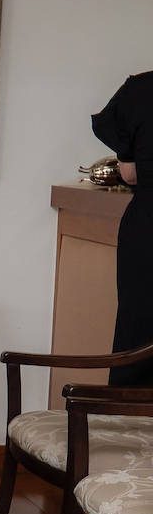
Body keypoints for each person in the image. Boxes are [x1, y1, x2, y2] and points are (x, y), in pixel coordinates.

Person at [93, 71, 153, 386]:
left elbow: (129, 174)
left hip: (147, 228)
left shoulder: (140, 90)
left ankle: (125, 416)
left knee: (137, 335)